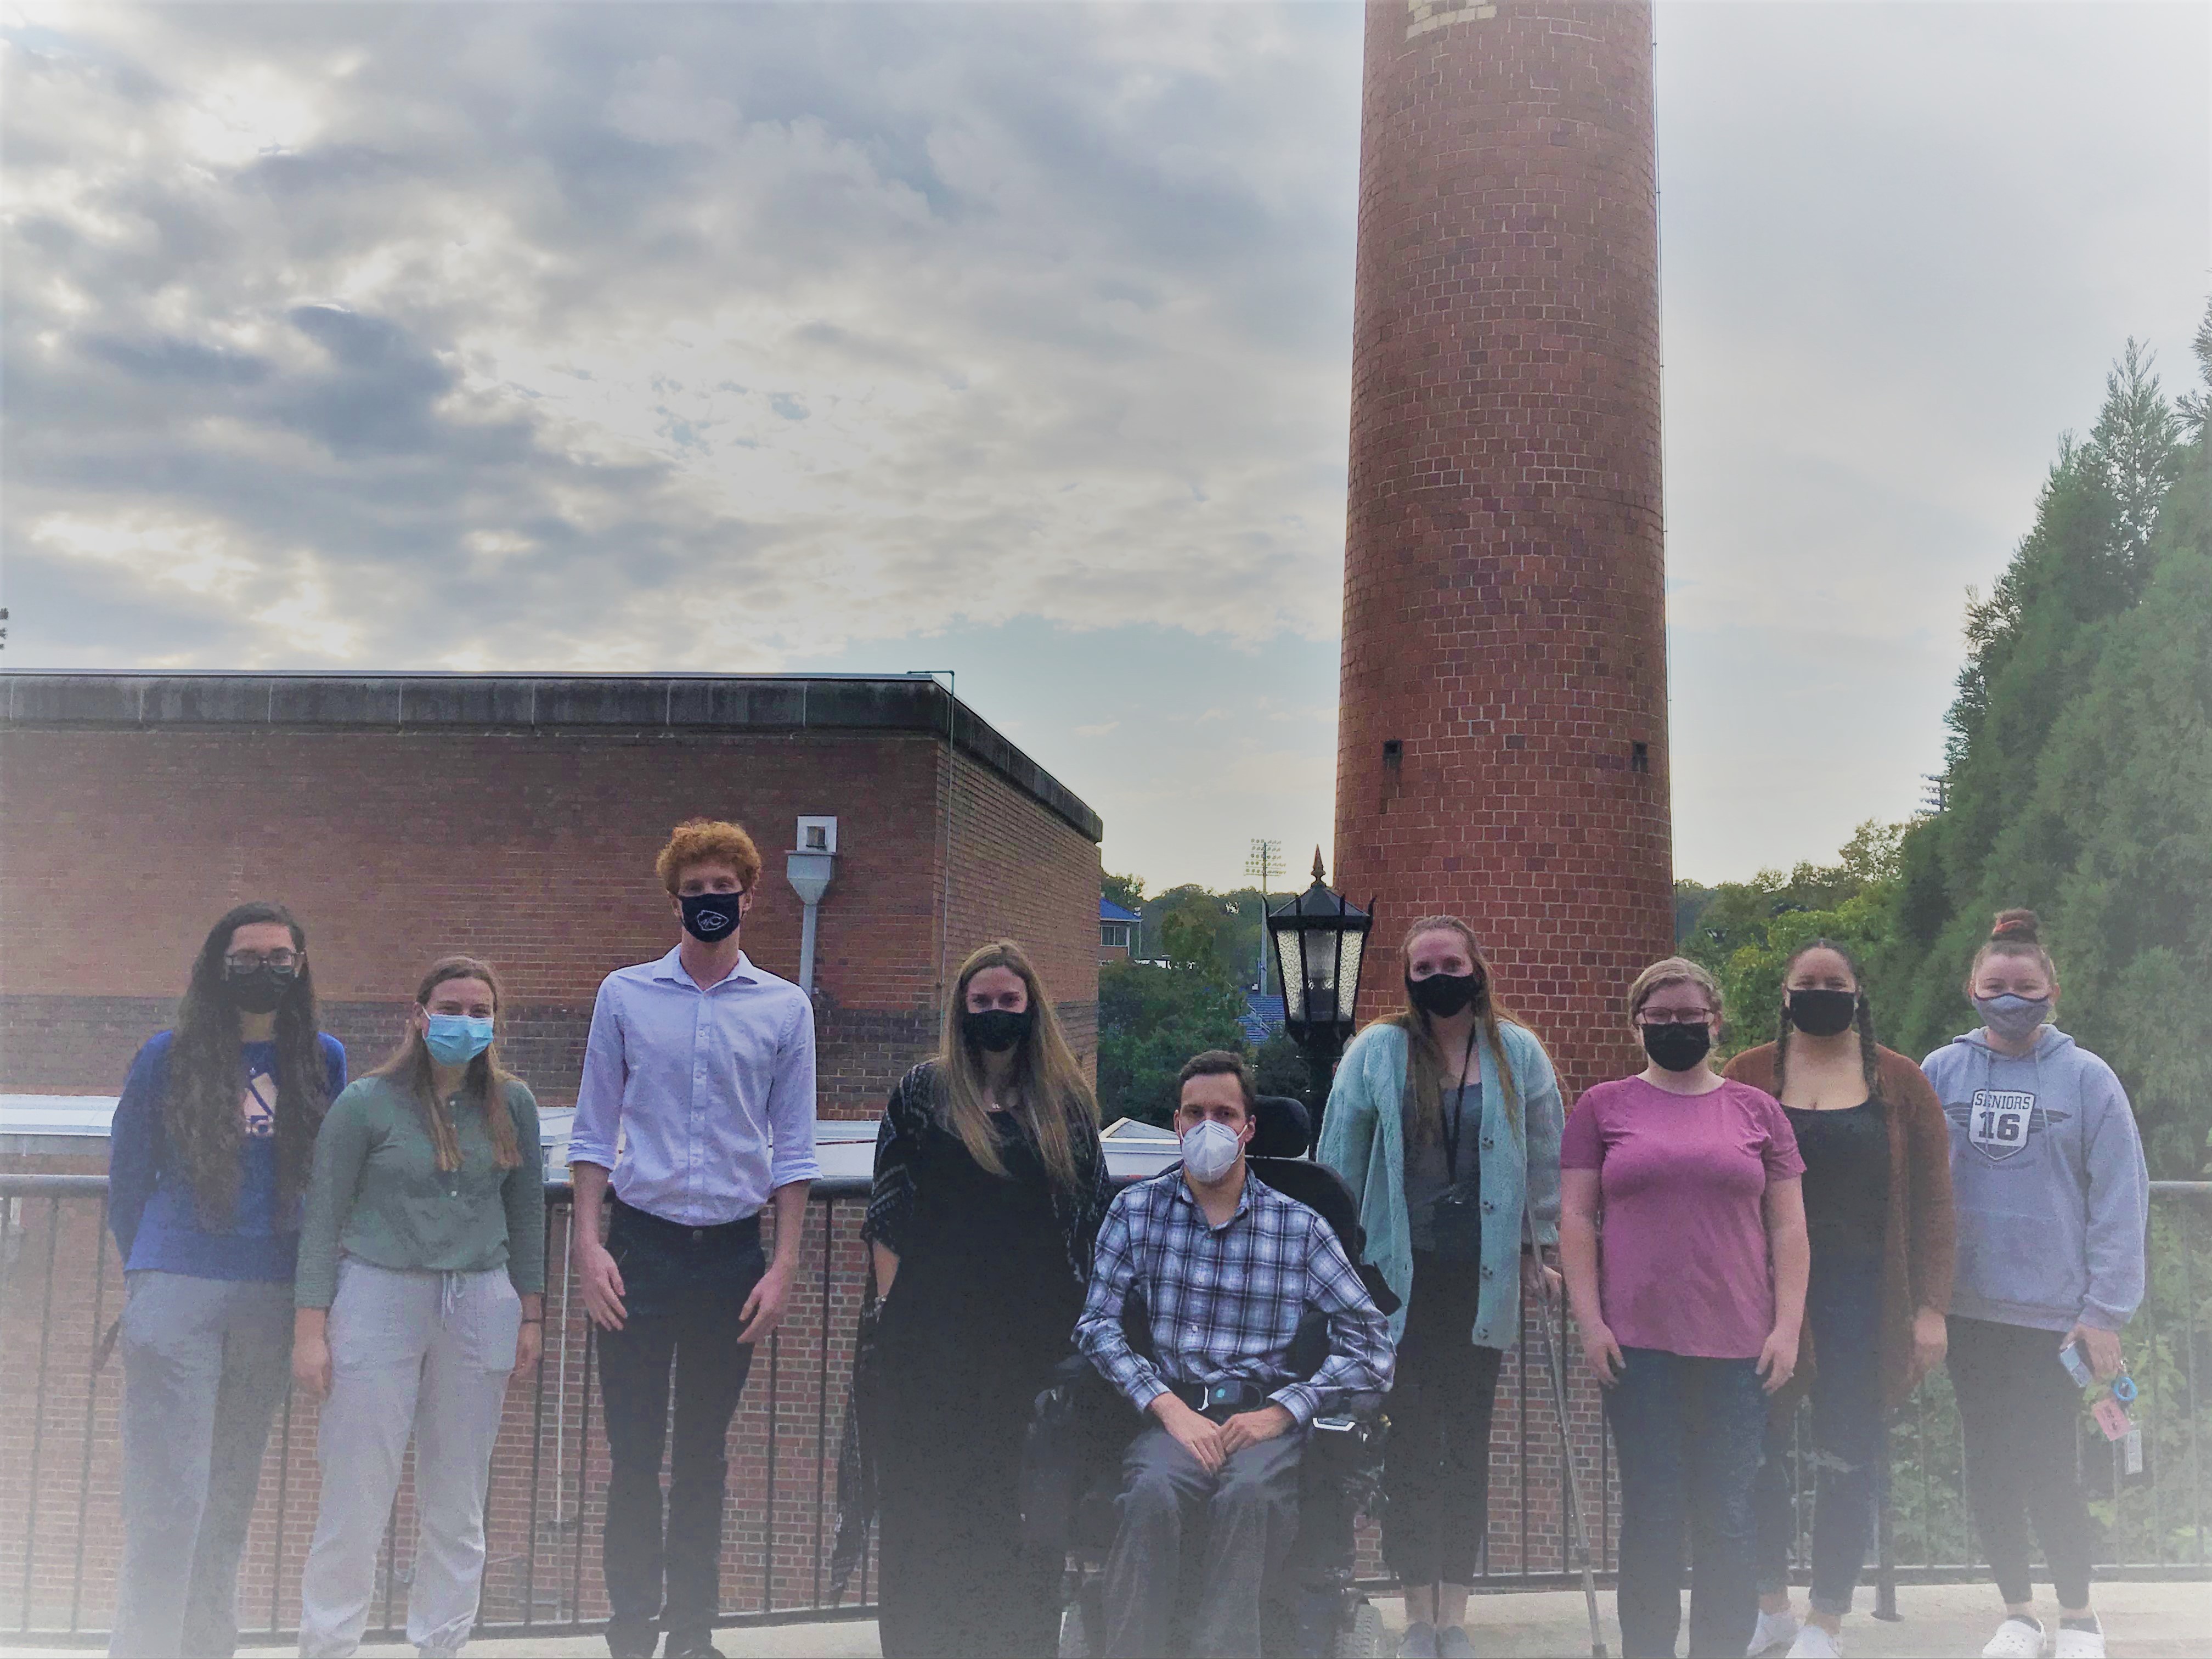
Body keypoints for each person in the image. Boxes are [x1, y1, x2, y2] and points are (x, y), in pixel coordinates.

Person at [567, 818, 820, 1659]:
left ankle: (694, 1636)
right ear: (674, 898)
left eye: (725, 890)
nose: (710, 903)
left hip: (731, 1260)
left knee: (705, 1454)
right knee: (634, 1454)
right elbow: (594, 1131)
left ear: (750, 897)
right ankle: (630, 1633)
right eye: (695, 890)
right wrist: (589, 1246)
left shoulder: (785, 1007)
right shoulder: (625, 995)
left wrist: (783, 1266)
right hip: (640, 1252)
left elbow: (793, 1149)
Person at [1076, 1050, 1395, 1659]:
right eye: (1195, 1113)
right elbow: (1097, 1326)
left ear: (1249, 1127)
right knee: (1150, 1498)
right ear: (1176, 1124)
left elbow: (1371, 1342)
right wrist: (1166, 1407)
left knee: (1249, 1499)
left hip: (1263, 1421)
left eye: (1225, 1113)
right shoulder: (1135, 1212)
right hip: (1175, 1412)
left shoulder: (1298, 1227)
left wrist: (1284, 1411)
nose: (1208, 1127)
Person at [1316, 916, 1565, 1659]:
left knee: (1469, 1443)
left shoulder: (1515, 1053)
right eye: (1422, 967)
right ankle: (1414, 1611)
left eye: (1449, 963)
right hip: (1400, 1286)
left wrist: (1538, 1248)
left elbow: (1546, 1156)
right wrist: (1334, 1266)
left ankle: (1455, 1611)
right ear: (1406, 977)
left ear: (1476, 967)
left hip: (1480, 1284)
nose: (1437, 977)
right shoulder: (1376, 1053)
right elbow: (1338, 1160)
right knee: (1414, 1444)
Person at [105, 902, 344, 1659]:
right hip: (177, 1286)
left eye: (281, 956)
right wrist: (145, 1277)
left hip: (273, 1297)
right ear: (218, 964)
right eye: (248, 956)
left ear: (300, 968)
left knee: (229, 1497)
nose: (265, 968)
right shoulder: (165, 1055)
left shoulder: (324, 1058)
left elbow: (329, 1182)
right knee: (169, 1499)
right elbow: (127, 1175)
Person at [863, 940, 1114, 1658]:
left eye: (1009, 1002)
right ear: (961, 1010)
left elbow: (1094, 1219)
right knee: (928, 1505)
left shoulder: (1066, 1104)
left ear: (1031, 1008)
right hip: (933, 1337)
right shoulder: (921, 1093)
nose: (996, 1014)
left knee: (1021, 1510)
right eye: (983, 1004)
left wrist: (1083, 1335)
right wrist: (895, 1311)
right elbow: (887, 1212)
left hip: (1035, 1341)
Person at [290, 956, 545, 1659]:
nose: (466, 1021)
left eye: (480, 1009)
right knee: (356, 1490)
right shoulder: (367, 1102)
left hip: (480, 1300)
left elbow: (527, 1213)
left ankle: (441, 1642)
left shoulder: (513, 1104)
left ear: (496, 1021)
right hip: (377, 1292)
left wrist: (531, 1314)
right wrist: (311, 1328)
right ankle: (330, 1644)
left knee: (458, 1499)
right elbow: (323, 1216)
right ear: (419, 1013)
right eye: (452, 1007)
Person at [1559, 957, 1808, 1659]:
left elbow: (1789, 1226)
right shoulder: (1602, 1108)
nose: (1675, 1027)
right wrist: (1591, 1321)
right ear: (1637, 1023)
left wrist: (1787, 1327)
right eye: (1660, 1017)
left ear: (1715, 1021)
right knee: (1653, 1516)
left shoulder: (1757, 1111)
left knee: (1728, 1517)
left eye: (1688, 1016)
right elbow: (1576, 1220)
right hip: (1638, 1344)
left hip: (1738, 1344)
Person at [1922, 910, 2148, 1659]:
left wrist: (2106, 1310)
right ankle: (2016, 1614)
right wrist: (1919, 1297)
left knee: (2053, 1465)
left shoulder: (2088, 1079)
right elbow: (1915, 1188)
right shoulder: (1941, 1072)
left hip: (2057, 1315)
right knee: (1987, 1462)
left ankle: (2079, 1618)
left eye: (2025, 984)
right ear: (1972, 989)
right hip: (1969, 1309)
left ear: (2052, 988)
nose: (2011, 996)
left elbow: (2121, 1197)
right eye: (1997, 985)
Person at [1723, 941, 1957, 1659]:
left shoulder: (1900, 1081)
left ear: (1859, 992)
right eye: (1807, 983)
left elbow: (1936, 1202)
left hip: (1865, 1292)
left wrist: (1931, 1308)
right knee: (1753, 1452)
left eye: (1835, 983)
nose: (1820, 993)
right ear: (1786, 993)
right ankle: (1770, 1607)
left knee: (1849, 1456)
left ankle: (1828, 1620)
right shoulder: (1748, 1073)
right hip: (1762, 1292)